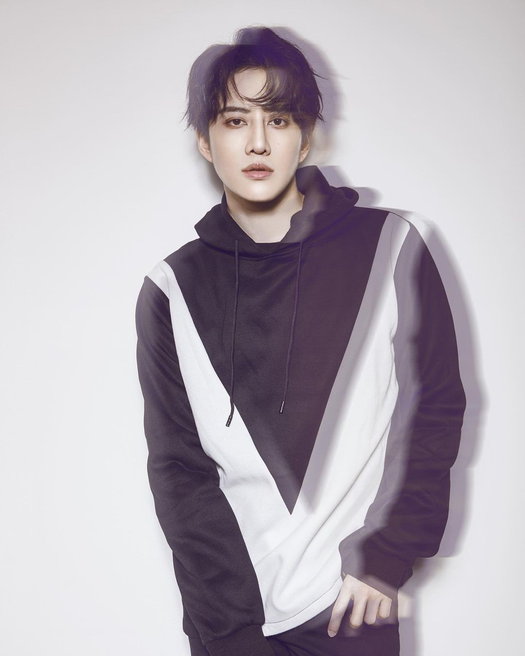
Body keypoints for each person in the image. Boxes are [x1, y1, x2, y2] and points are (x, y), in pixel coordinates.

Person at [135, 26, 466, 656]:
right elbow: (179, 471)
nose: (258, 141)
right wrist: (230, 631)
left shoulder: (392, 247)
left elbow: (435, 408)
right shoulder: (170, 288)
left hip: (348, 611)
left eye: (279, 119)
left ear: (305, 137)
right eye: (235, 120)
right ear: (205, 140)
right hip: (228, 621)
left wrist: (387, 555)